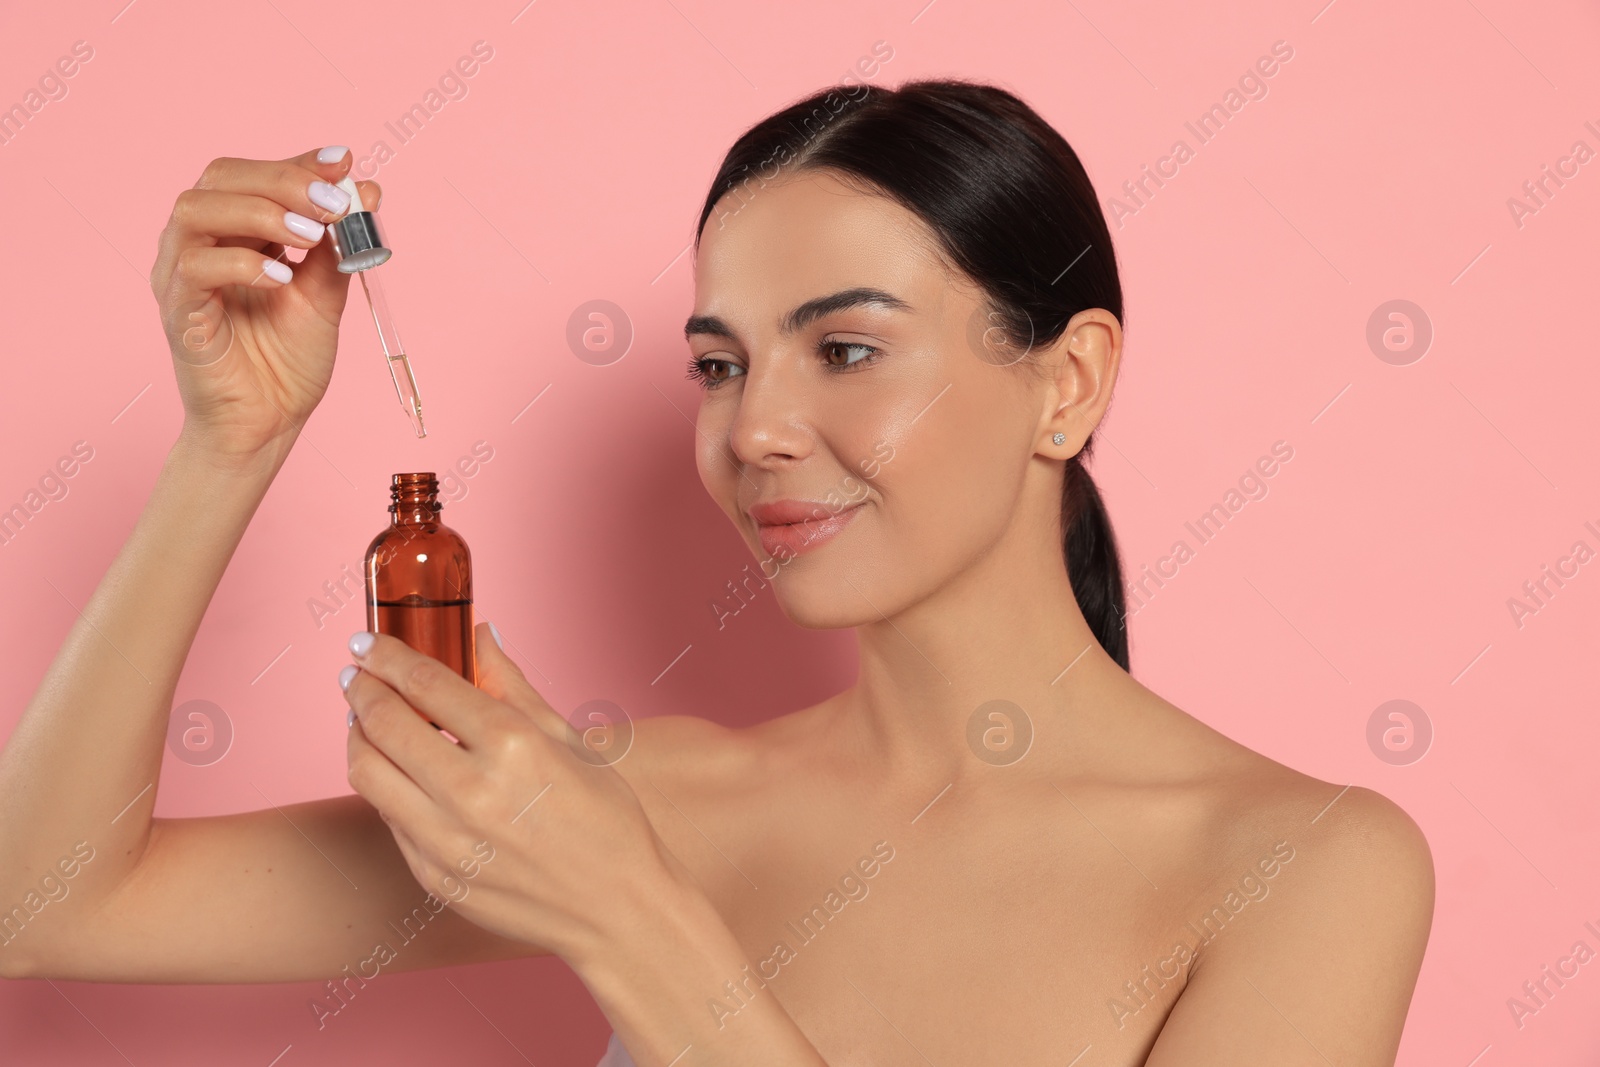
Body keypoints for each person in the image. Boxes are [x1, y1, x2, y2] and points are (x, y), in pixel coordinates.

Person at [0, 78, 1433, 1066]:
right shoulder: (641, 801)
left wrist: (637, 921)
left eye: (848, 349)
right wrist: (228, 442)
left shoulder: (1304, 872)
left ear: (1069, 384)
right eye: (720, 365)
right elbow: (43, 907)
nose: (752, 428)